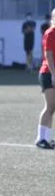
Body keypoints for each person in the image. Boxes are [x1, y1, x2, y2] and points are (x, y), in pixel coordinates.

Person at [36, 9, 55, 149]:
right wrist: (54, 74)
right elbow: (48, 56)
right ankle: (40, 138)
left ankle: (47, 138)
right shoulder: (50, 33)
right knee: (49, 106)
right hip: (48, 73)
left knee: (53, 107)